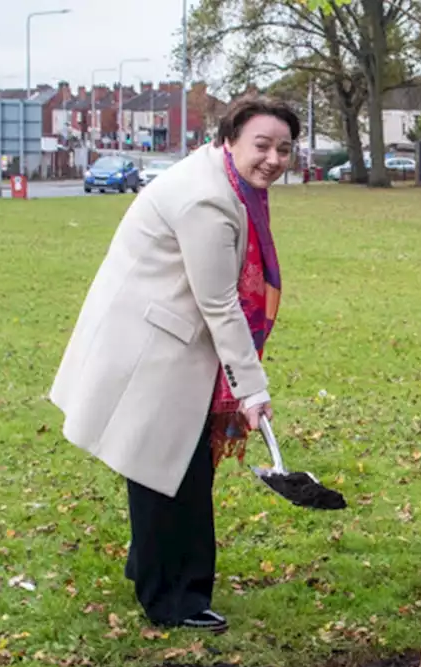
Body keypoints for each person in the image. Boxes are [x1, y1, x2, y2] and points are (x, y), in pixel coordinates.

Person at [49, 95, 300, 633]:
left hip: (166, 336)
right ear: (230, 139)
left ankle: (154, 572)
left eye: (284, 148)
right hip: (153, 344)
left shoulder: (228, 183)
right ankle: (172, 600)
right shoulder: (206, 200)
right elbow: (218, 303)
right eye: (262, 145)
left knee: (172, 469)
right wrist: (252, 390)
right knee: (166, 473)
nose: (274, 158)